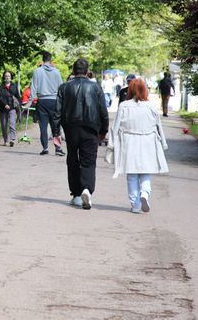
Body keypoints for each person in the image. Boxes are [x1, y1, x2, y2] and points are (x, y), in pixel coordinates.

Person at [51, 59, 109, 210]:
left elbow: (57, 111)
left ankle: (76, 195)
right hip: (90, 128)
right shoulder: (95, 87)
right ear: (87, 70)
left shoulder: (64, 87)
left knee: (72, 159)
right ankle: (87, 189)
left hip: (71, 128)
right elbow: (103, 111)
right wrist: (104, 130)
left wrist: (56, 132)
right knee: (88, 161)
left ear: (73, 70)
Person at [108, 78, 169, 213]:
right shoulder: (151, 106)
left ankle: (135, 204)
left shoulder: (124, 106)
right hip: (147, 141)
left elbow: (115, 127)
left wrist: (112, 145)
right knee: (145, 172)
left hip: (129, 142)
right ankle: (145, 194)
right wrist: (163, 143)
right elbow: (158, 126)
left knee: (132, 174)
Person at [27, 51, 65, 156]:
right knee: (55, 126)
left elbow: (33, 87)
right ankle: (58, 148)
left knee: (43, 126)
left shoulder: (37, 71)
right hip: (54, 101)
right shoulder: (57, 72)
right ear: (51, 60)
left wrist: (30, 101)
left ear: (43, 60)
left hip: (42, 101)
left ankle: (45, 148)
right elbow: (61, 87)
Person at [0, 70, 21, 147]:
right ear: (4, 77)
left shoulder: (14, 86)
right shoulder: (1, 86)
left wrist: (19, 106)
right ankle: (6, 140)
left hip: (12, 108)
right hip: (3, 108)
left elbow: (18, 96)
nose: (7, 77)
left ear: (11, 77)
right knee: (4, 125)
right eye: (6, 76)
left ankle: (12, 139)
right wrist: (5, 104)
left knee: (12, 124)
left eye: (9, 76)